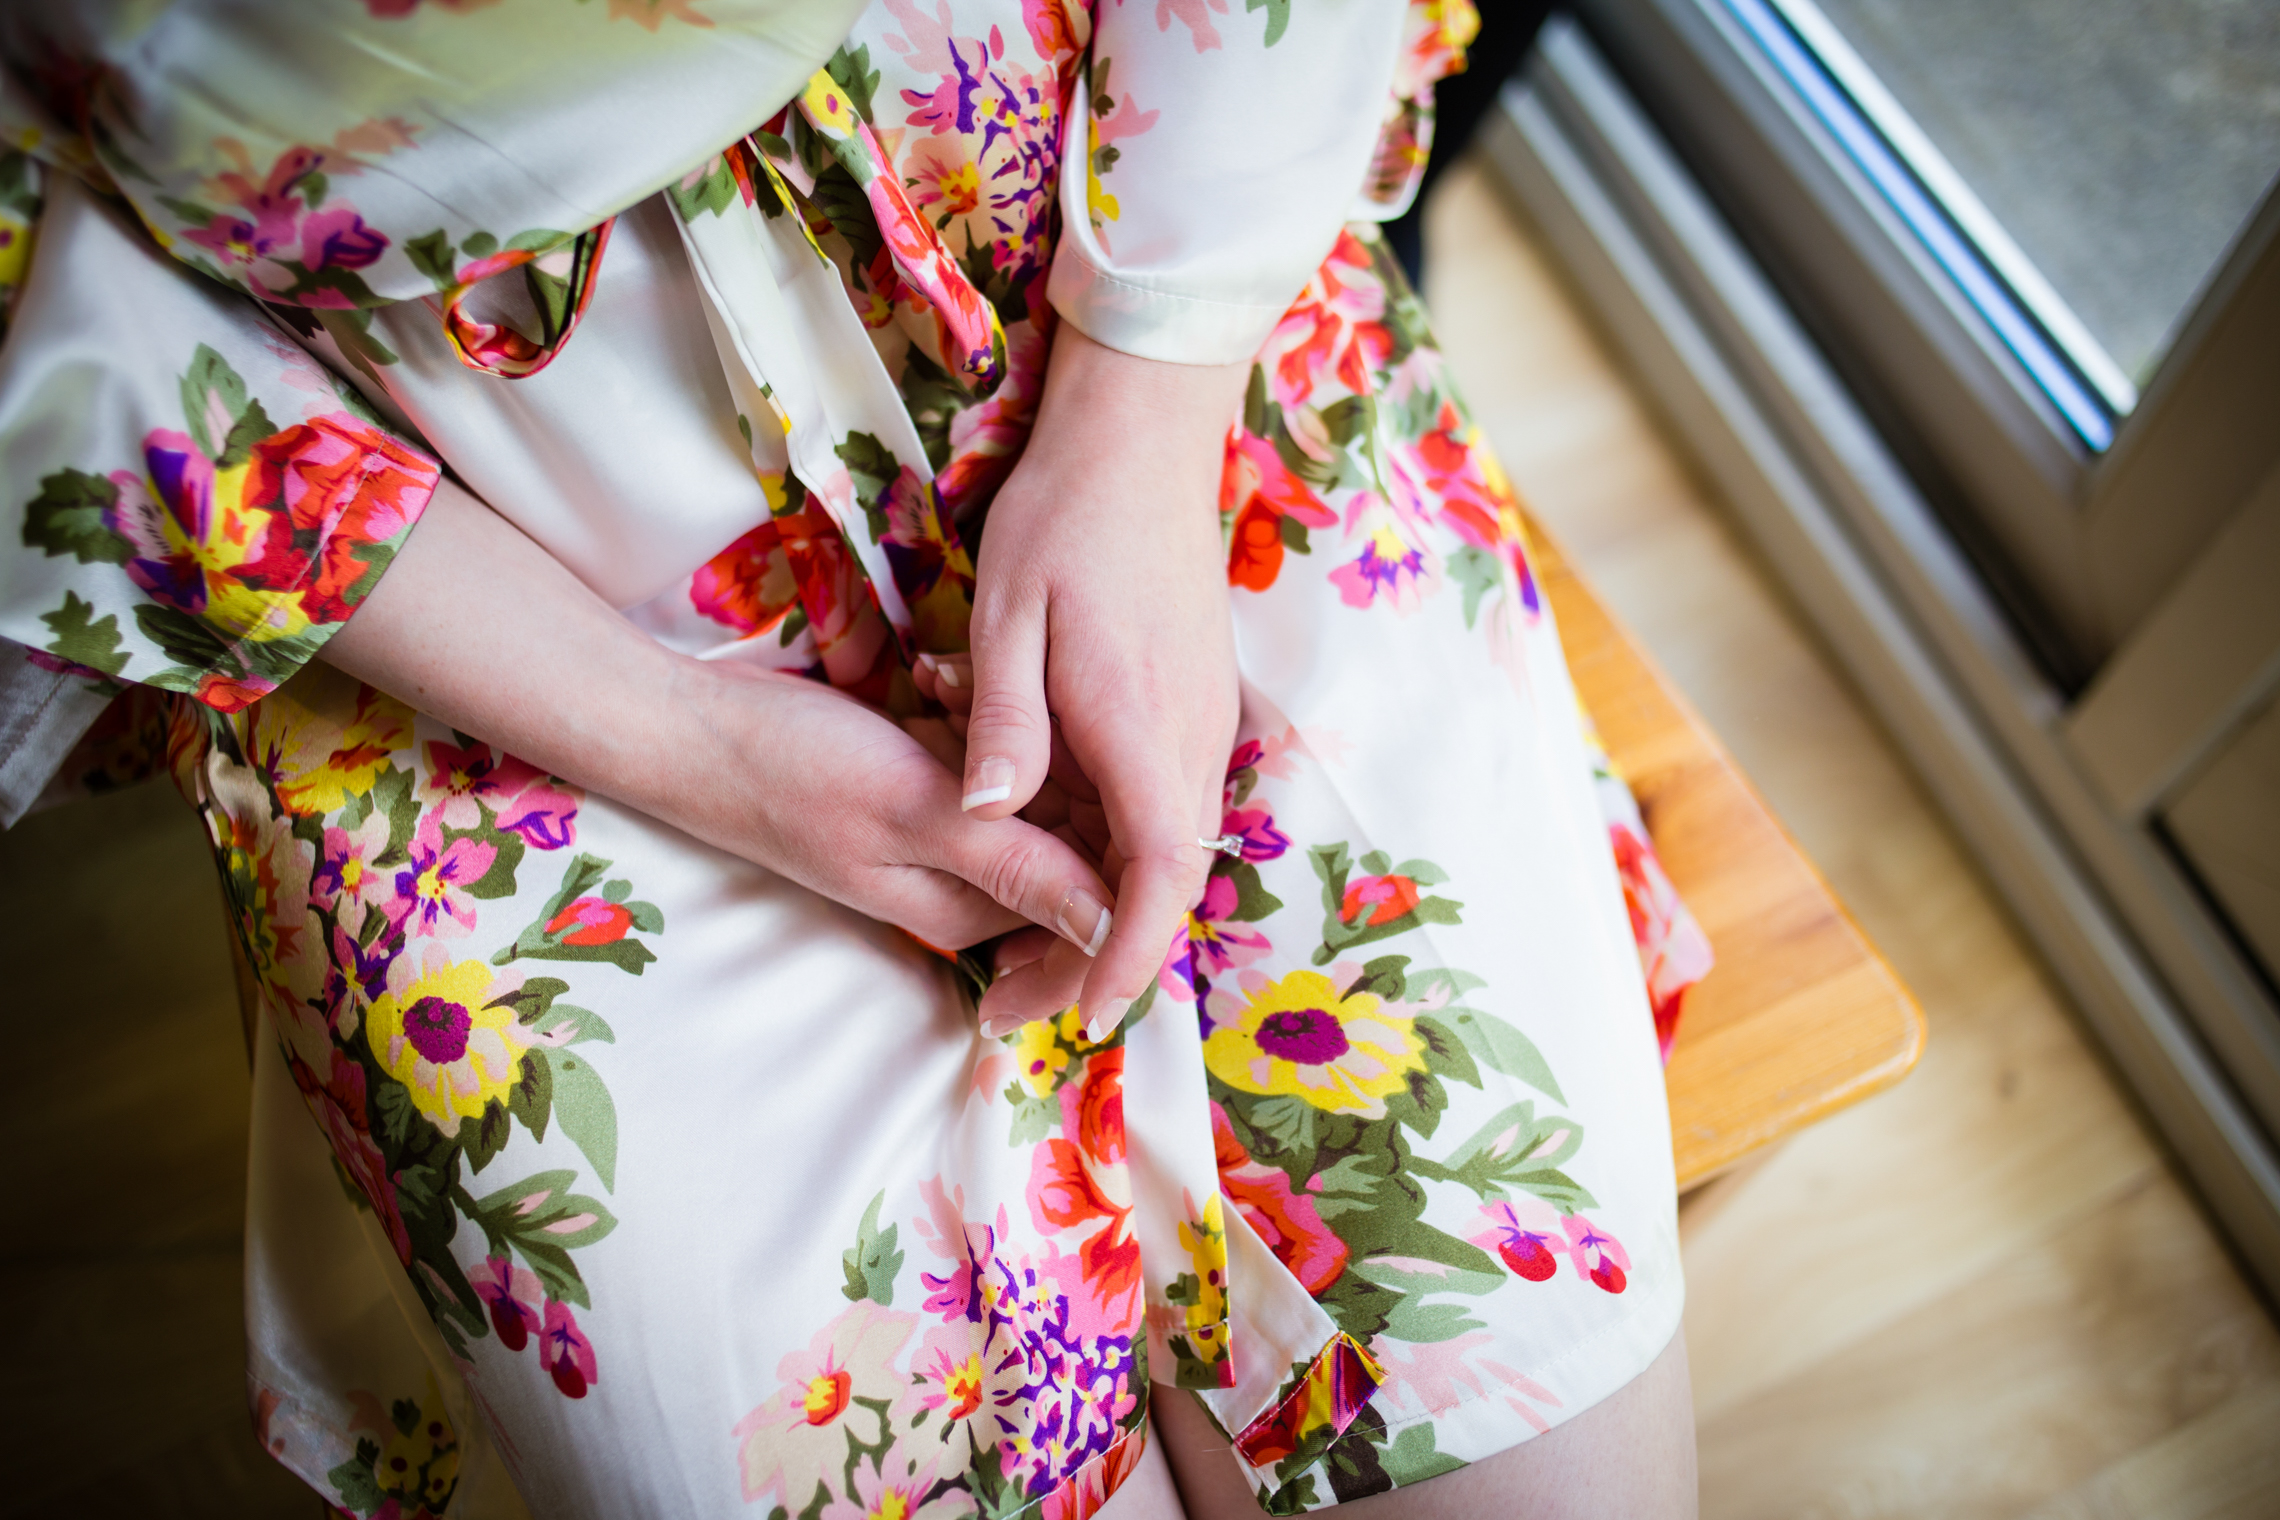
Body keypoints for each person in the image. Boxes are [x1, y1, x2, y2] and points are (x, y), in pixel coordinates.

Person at [0, 2, 1705, 1515]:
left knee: (1511, 1396)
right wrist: (693, 746)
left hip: (1117, 273)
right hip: (498, 594)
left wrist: (1141, 417)